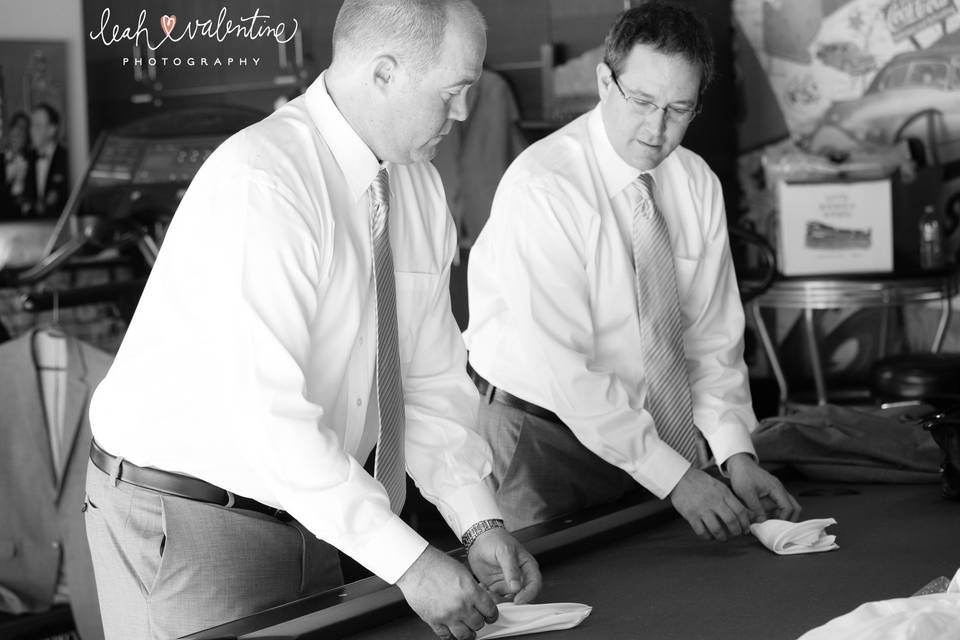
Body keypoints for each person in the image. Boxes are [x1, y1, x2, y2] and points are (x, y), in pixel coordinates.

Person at [84, 2, 540, 640]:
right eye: (454, 92)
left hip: (319, 510)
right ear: (384, 74)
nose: (464, 113)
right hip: (192, 515)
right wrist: (409, 561)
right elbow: (265, 415)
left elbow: (429, 376)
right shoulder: (265, 183)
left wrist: (479, 521)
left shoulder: (419, 188)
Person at [464, 1, 802, 540]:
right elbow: (566, 372)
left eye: (678, 108)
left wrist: (735, 452)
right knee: (554, 604)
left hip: (649, 434)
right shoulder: (545, 188)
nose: (656, 128)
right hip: (542, 435)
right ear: (604, 81)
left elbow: (711, 343)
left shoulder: (697, 184)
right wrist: (677, 479)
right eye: (642, 101)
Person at [27, 103, 69, 217]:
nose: (32, 130)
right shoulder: (27, 157)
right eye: (31, 125)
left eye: (38, 126)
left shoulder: (66, 158)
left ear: (52, 130)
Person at [1, 111, 34, 218]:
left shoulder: (32, 160)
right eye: (17, 128)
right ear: (10, 132)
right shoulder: (1, 159)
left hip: (27, 217)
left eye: (24, 130)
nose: (20, 133)